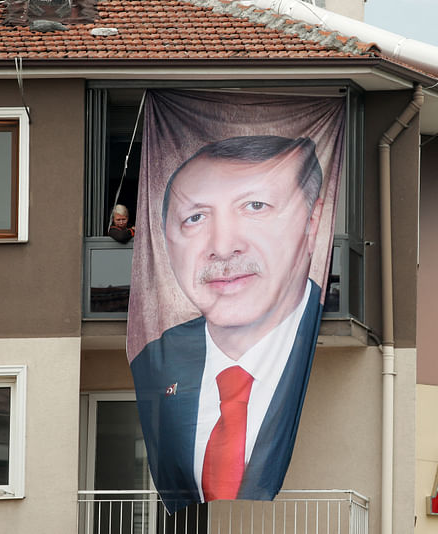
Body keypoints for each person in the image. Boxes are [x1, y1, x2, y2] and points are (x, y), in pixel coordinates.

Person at [130, 136, 326, 512]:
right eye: (195, 217)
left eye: (255, 206)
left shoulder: (317, 333)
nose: (222, 246)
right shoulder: (151, 363)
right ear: (166, 244)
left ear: (313, 223)